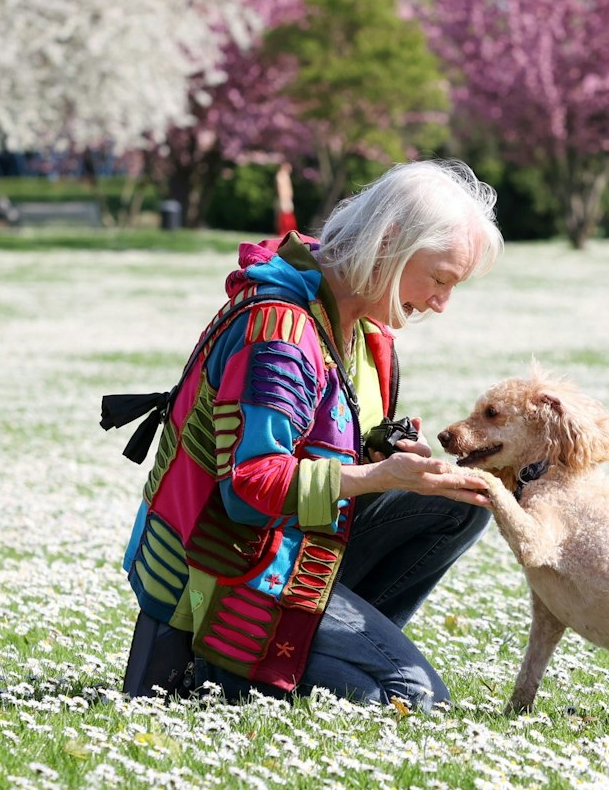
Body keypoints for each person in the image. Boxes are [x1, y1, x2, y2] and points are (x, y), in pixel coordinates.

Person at [116, 160, 502, 711]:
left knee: (460, 502)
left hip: (300, 550)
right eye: (439, 278)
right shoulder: (280, 334)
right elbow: (249, 486)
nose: (441, 303)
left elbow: (326, 440)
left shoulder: (365, 328)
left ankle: (330, 647)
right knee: (406, 696)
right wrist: (378, 475)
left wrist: (380, 452)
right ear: (387, 243)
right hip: (228, 573)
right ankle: (220, 663)